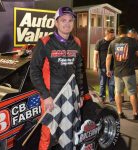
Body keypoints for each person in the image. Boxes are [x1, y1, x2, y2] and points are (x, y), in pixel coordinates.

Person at [30, 6, 89, 150]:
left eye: (70, 20)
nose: (67, 23)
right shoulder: (44, 42)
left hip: (71, 96)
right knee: (48, 134)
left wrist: (80, 94)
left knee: (70, 130)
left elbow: (78, 71)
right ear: (56, 23)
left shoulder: (77, 42)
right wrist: (45, 96)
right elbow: (34, 71)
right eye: (63, 20)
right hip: (52, 97)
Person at [106, 25, 138, 120]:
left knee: (118, 92)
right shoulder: (132, 41)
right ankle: (135, 113)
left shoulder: (112, 43)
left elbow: (108, 58)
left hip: (117, 73)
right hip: (129, 72)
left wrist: (108, 70)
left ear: (118, 32)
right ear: (126, 32)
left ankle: (120, 112)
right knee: (132, 93)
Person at [93, 28, 115, 104]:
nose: (113, 35)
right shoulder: (100, 42)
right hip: (102, 67)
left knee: (111, 84)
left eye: (113, 34)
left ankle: (112, 100)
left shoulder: (113, 42)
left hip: (112, 67)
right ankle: (102, 98)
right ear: (107, 34)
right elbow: (95, 55)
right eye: (111, 34)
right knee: (102, 84)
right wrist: (95, 66)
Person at [127, 28, 138, 104]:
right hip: (130, 66)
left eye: (131, 36)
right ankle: (133, 100)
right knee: (131, 85)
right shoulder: (130, 42)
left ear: (135, 34)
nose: (130, 37)